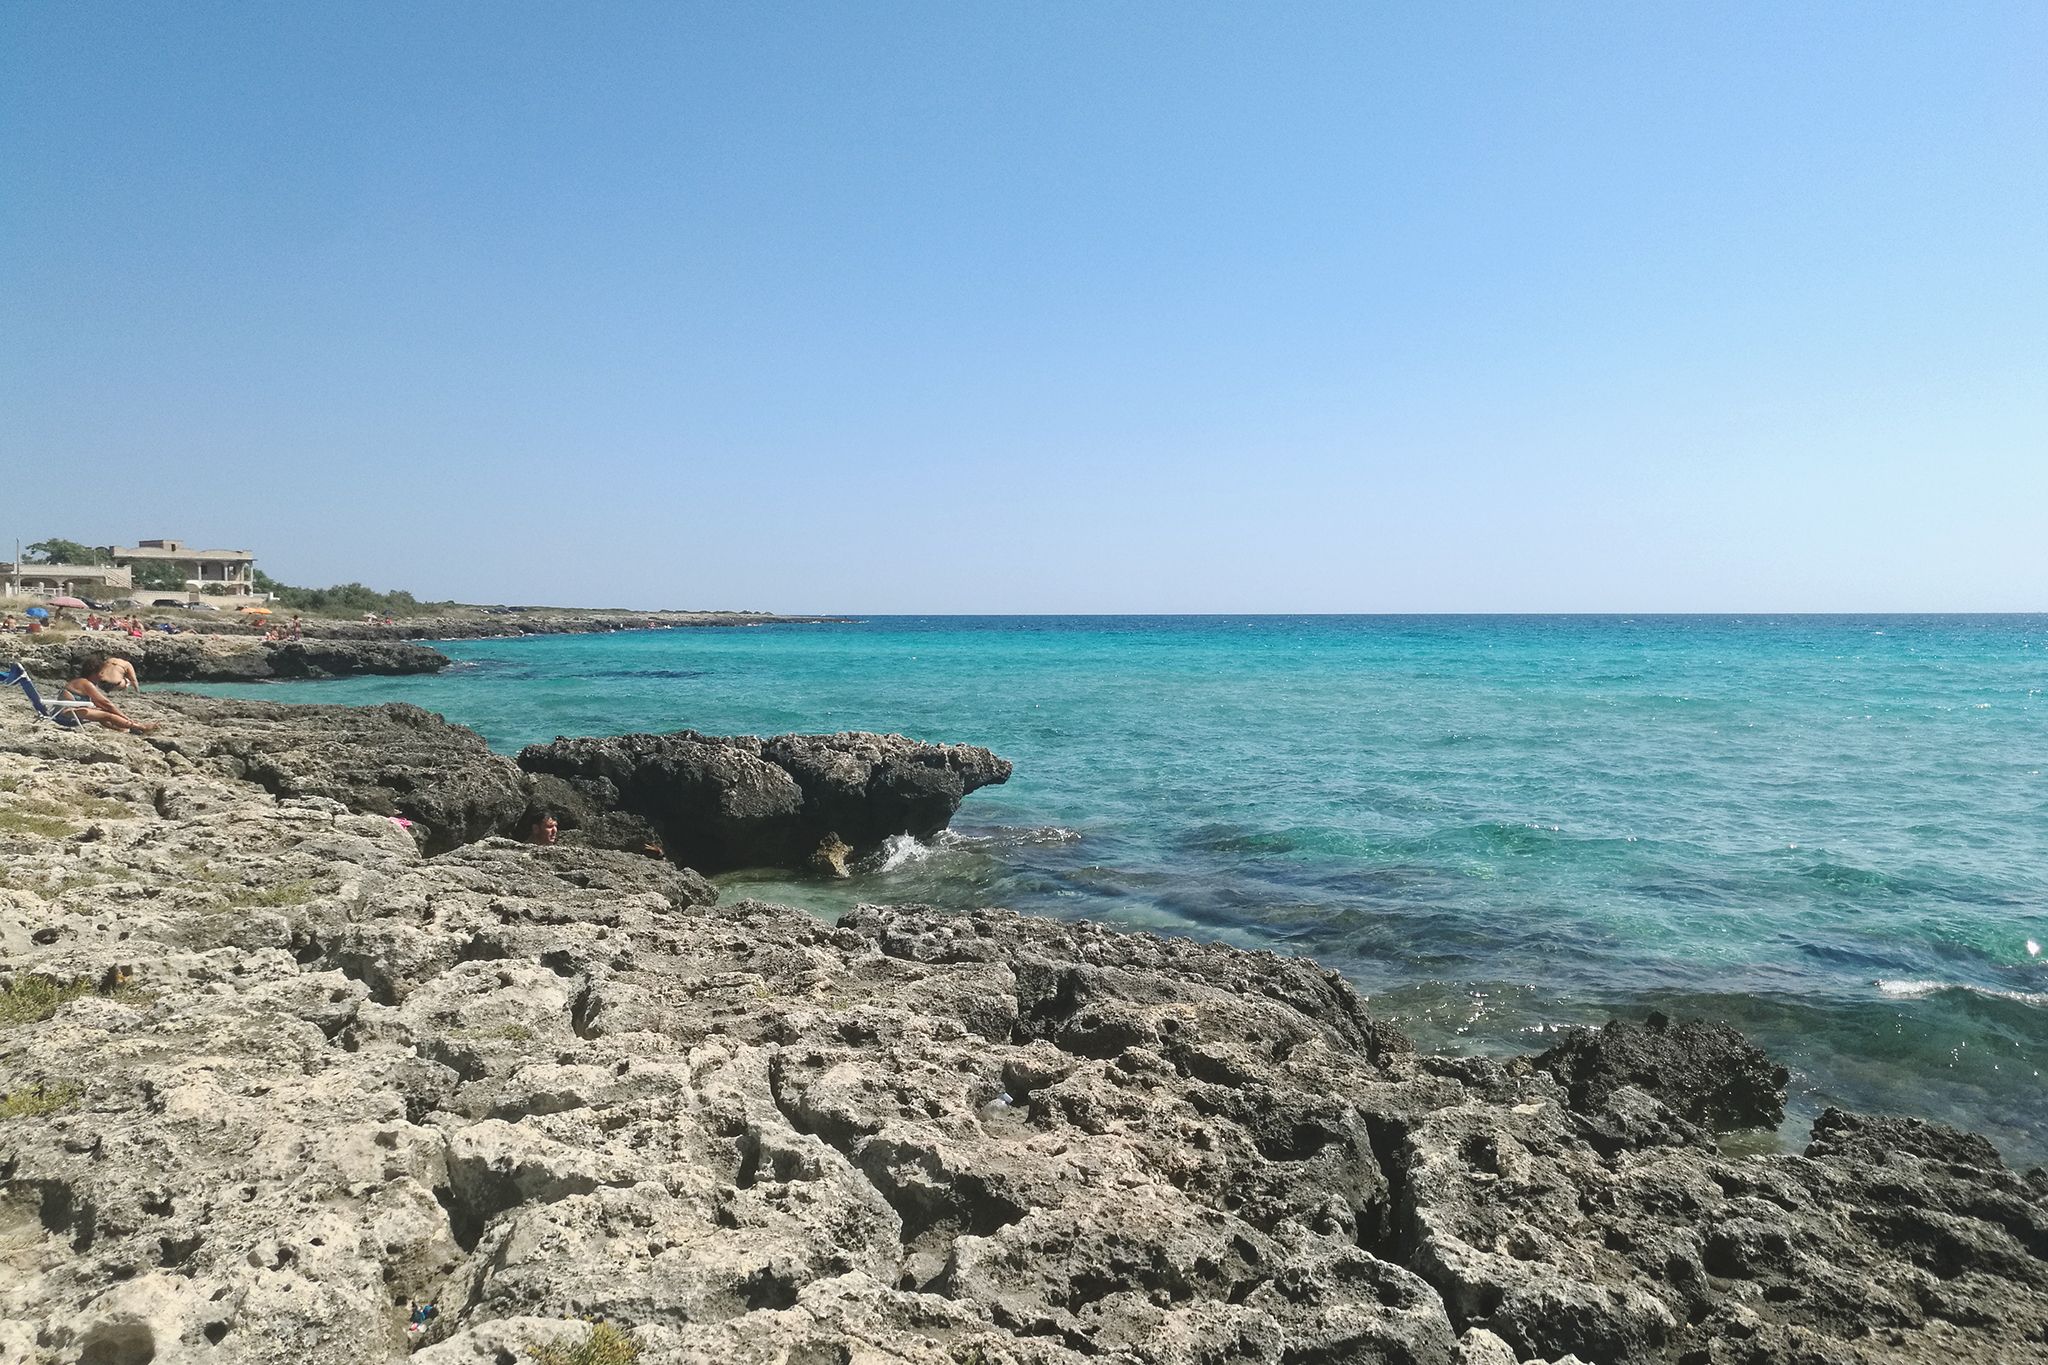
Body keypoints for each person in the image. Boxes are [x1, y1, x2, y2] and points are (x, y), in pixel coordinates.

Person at [56, 658, 157, 733]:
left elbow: (100, 704)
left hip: (67, 712)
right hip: (66, 714)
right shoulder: (86, 683)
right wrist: (125, 717)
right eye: (101, 673)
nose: (102, 676)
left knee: (102, 712)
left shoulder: (80, 681)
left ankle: (123, 729)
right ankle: (139, 727)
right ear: (95, 672)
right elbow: (106, 703)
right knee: (108, 715)